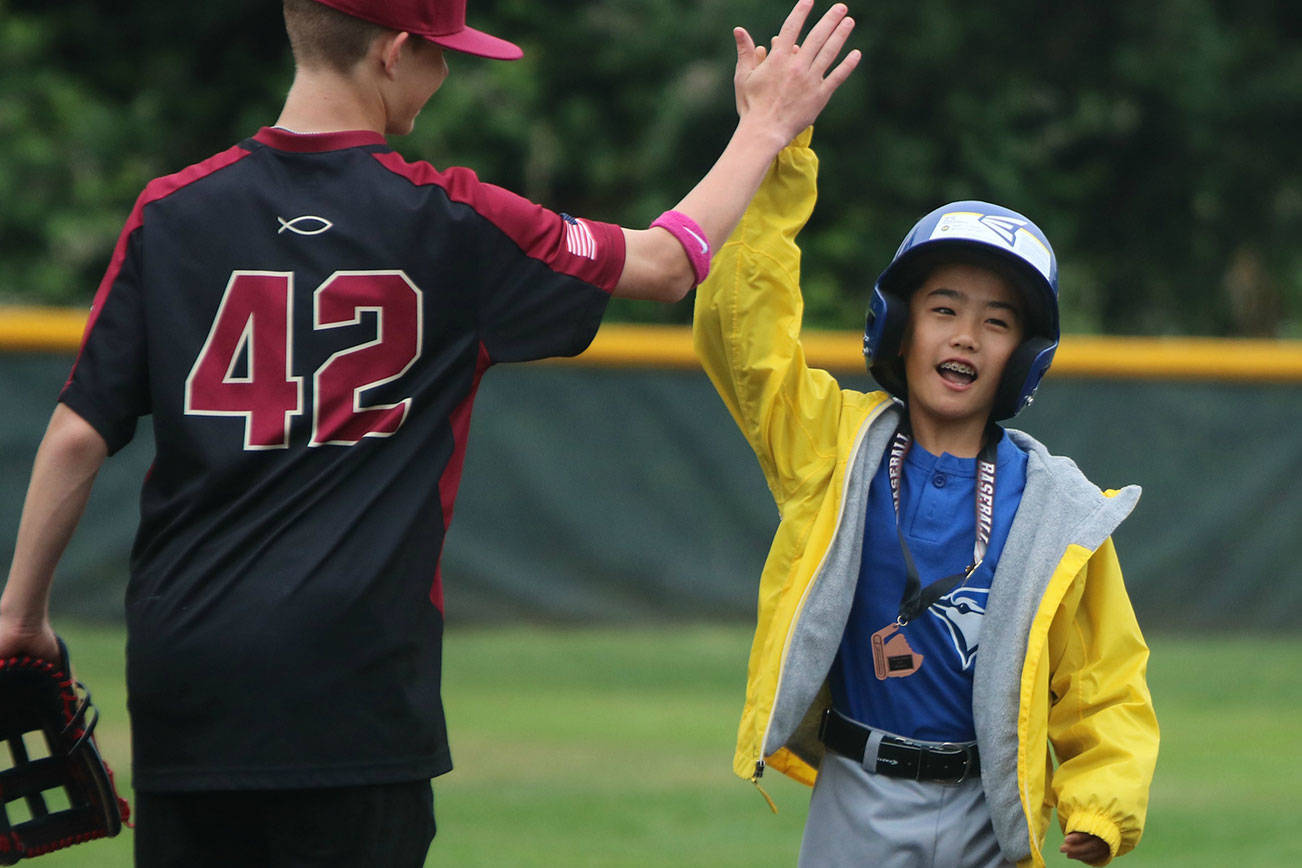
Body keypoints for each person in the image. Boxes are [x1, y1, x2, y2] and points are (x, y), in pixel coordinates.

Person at [0, 1, 860, 864]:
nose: (446, 75)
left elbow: (78, 433)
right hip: (355, 690)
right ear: (395, 51)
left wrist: (20, 615)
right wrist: (764, 126)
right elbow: (668, 263)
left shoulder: (172, 212)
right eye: (440, 55)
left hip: (187, 682)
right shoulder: (452, 221)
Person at [693, 122, 1159, 866]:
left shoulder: (1055, 508)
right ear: (899, 328)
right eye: (944, 310)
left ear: (1026, 360)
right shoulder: (830, 447)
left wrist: (1101, 801)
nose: (966, 336)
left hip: (987, 806)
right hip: (857, 791)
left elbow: (1104, 678)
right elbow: (743, 337)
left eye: (997, 322)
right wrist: (778, 151)